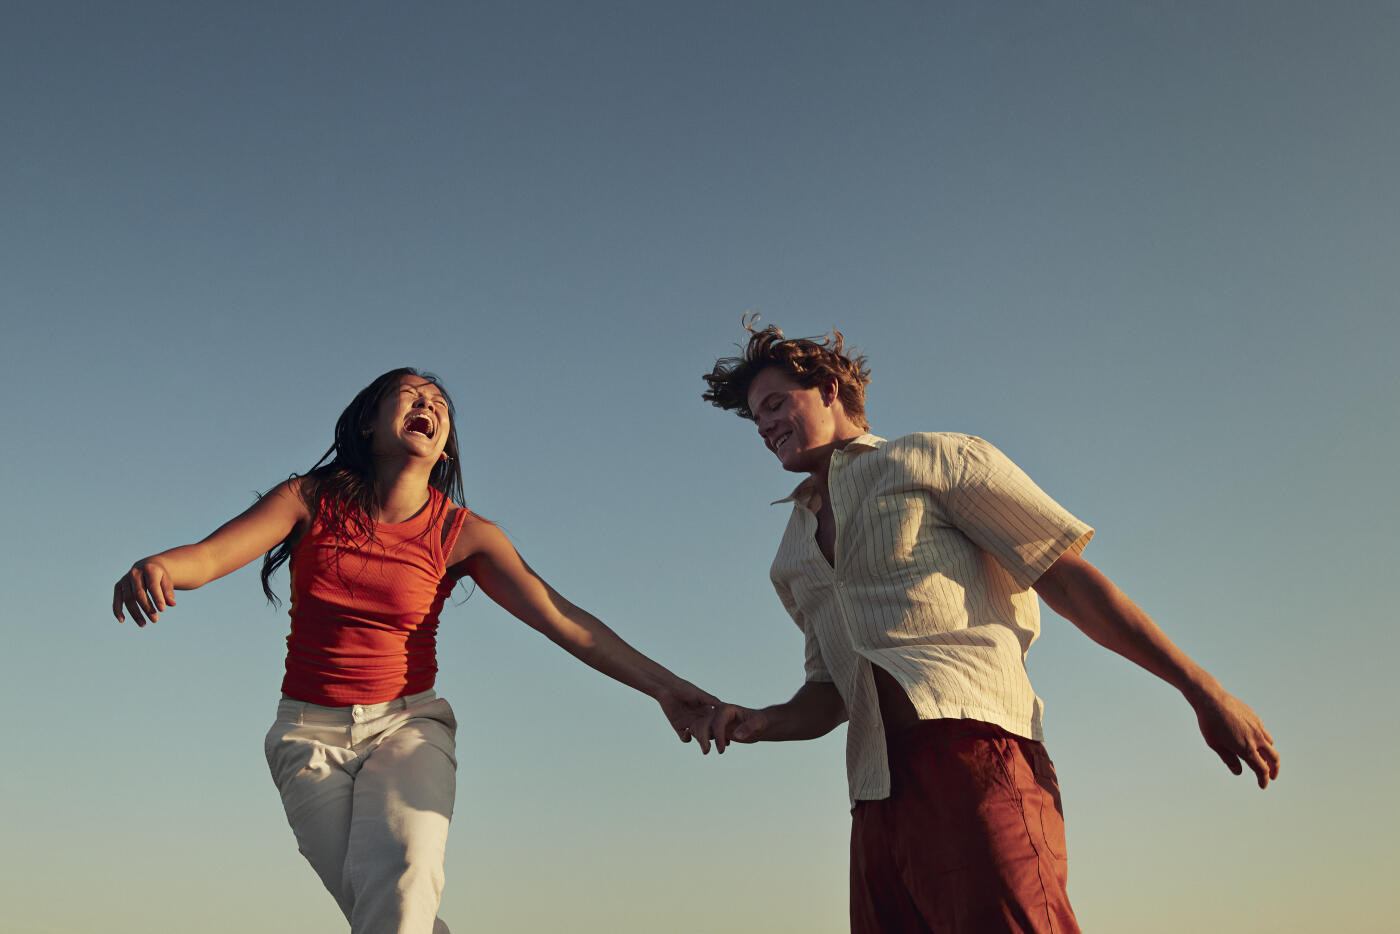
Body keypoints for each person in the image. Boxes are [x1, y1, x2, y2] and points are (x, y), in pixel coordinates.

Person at [692, 321, 1280, 934]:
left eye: (775, 403)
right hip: (873, 798)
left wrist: (1199, 688)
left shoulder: (934, 459)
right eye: (756, 419)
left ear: (831, 390)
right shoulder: (789, 556)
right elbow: (831, 690)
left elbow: (1066, 578)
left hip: (975, 757)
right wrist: (762, 721)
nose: (764, 426)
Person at [112, 367, 718, 934]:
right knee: (391, 914)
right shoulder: (308, 499)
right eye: (410, 393)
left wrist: (664, 686)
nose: (428, 403)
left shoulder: (464, 534)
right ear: (369, 423)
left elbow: (563, 619)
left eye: (440, 404)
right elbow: (212, 555)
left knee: (404, 885)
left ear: (445, 446)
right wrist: (160, 565)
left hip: (407, 725)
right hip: (306, 735)